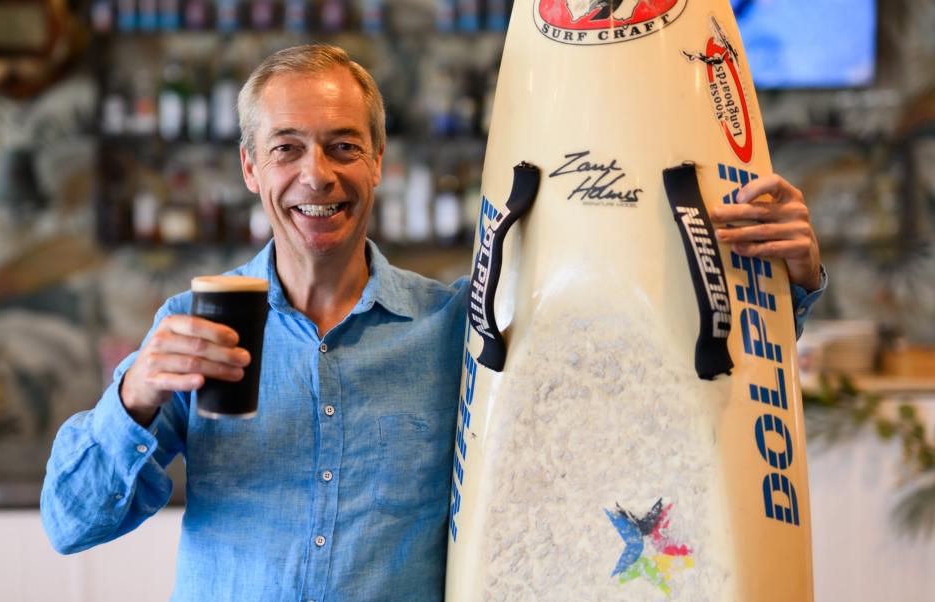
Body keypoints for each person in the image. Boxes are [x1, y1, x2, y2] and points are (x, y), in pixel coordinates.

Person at [41, 44, 826, 601]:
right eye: (287, 149)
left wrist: (780, 278)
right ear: (251, 168)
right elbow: (68, 524)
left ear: (379, 159)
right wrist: (136, 397)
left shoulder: (459, 326)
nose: (317, 174)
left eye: (343, 145)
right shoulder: (192, 329)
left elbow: (620, 388)